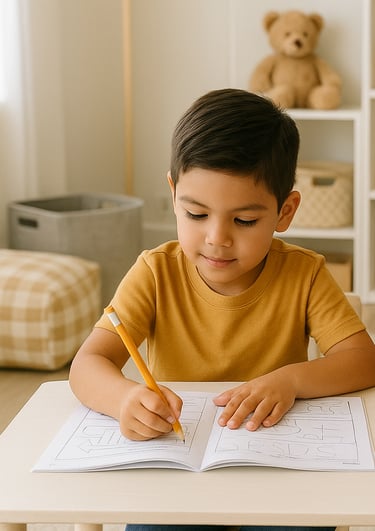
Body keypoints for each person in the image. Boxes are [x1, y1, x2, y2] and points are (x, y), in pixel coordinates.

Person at [69, 89, 375, 531]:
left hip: (274, 461)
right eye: (195, 214)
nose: (217, 238)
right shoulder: (154, 272)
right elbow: (88, 363)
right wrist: (124, 399)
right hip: (178, 465)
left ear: (284, 211)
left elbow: (364, 360)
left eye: (245, 221)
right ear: (173, 194)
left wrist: (290, 380)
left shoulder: (304, 274)